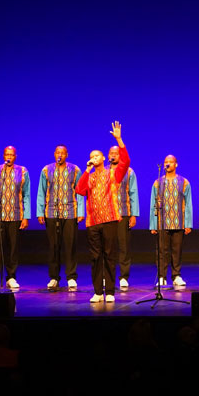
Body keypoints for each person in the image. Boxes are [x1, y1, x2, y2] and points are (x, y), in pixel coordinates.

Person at [75, 121, 130, 303]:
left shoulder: (112, 174)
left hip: (110, 220)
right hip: (93, 222)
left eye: (97, 156)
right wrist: (87, 169)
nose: (94, 158)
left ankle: (111, 292)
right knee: (95, 257)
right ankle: (98, 291)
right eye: (92, 156)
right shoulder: (88, 177)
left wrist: (119, 139)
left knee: (109, 255)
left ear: (103, 159)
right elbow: (80, 190)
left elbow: (126, 162)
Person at [36, 145, 85, 290]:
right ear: (54, 154)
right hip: (51, 212)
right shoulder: (47, 170)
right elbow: (41, 192)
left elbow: (80, 191)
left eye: (63, 153)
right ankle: (54, 278)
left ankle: (71, 277)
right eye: (58, 152)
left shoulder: (75, 170)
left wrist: (81, 211)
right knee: (53, 246)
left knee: (70, 246)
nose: (60, 155)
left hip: (70, 212)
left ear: (67, 155)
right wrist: (40, 212)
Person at [0, 146, 30, 291]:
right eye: (6, 154)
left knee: (13, 248)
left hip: (16, 215)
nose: (9, 157)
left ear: (15, 156)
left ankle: (11, 277)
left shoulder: (23, 171)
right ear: (3, 156)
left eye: (12, 154)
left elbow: (26, 194)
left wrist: (26, 216)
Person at [149, 155, 192, 287]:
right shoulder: (158, 183)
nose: (168, 164)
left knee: (176, 250)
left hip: (178, 222)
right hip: (162, 222)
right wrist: (153, 224)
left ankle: (176, 275)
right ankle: (162, 276)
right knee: (162, 250)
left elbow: (188, 203)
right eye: (166, 162)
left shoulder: (184, 182)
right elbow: (153, 204)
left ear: (176, 164)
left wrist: (188, 223)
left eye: (170, 162)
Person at [107, 145, 139, 288]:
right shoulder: (102, 171)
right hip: (106, 214)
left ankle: (124, 276)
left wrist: (133, 215)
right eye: (111, 153)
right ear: (108, 156)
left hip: (123, 213)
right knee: (107, 246)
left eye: (116, 153)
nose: (113, 155)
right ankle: (107, 275)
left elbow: (133, 193)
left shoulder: (129, 172)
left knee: (123, 245)